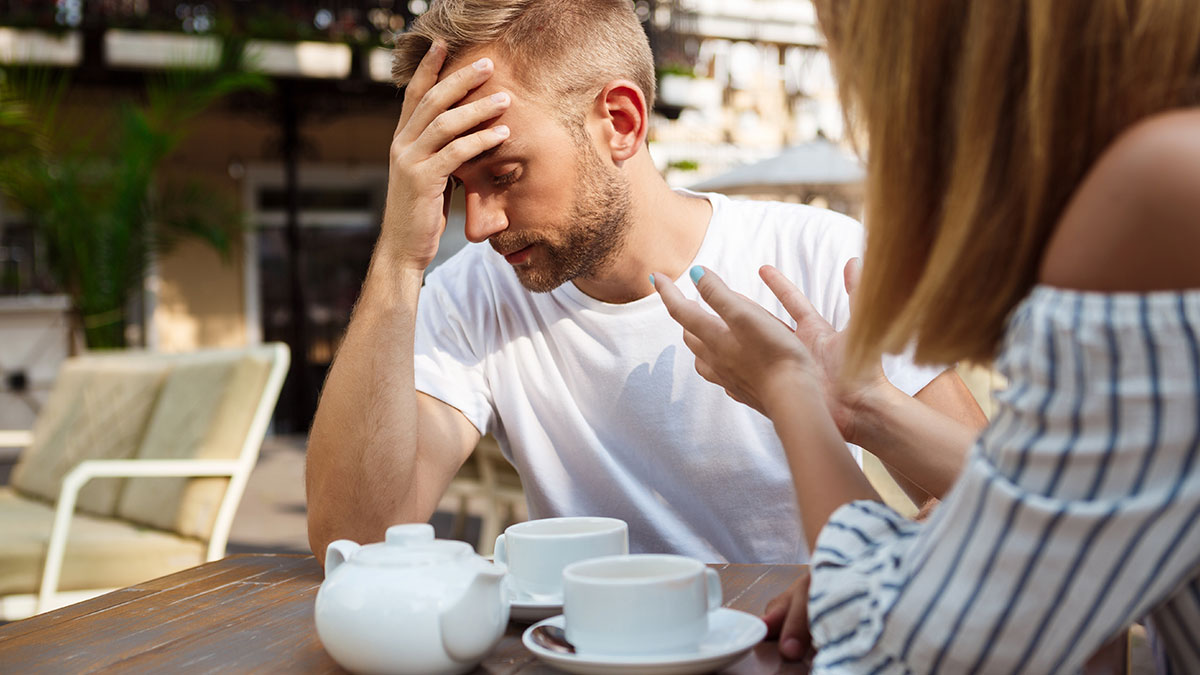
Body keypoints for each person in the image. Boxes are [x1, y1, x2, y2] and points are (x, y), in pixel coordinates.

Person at [305, 0, 985, 566]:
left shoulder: (813, 257)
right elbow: (355, 542)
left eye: (505, 175)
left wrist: (876, 565)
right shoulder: (473, 295)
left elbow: (1002, 505)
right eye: (460, 187)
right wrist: (398, 259)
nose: (479, 224)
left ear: (621, 123)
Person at [654, 0, 1200, 671]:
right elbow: (1062, 507)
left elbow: (900, 640)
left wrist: (788, 386)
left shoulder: (1159, 193)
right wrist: (862, 408)